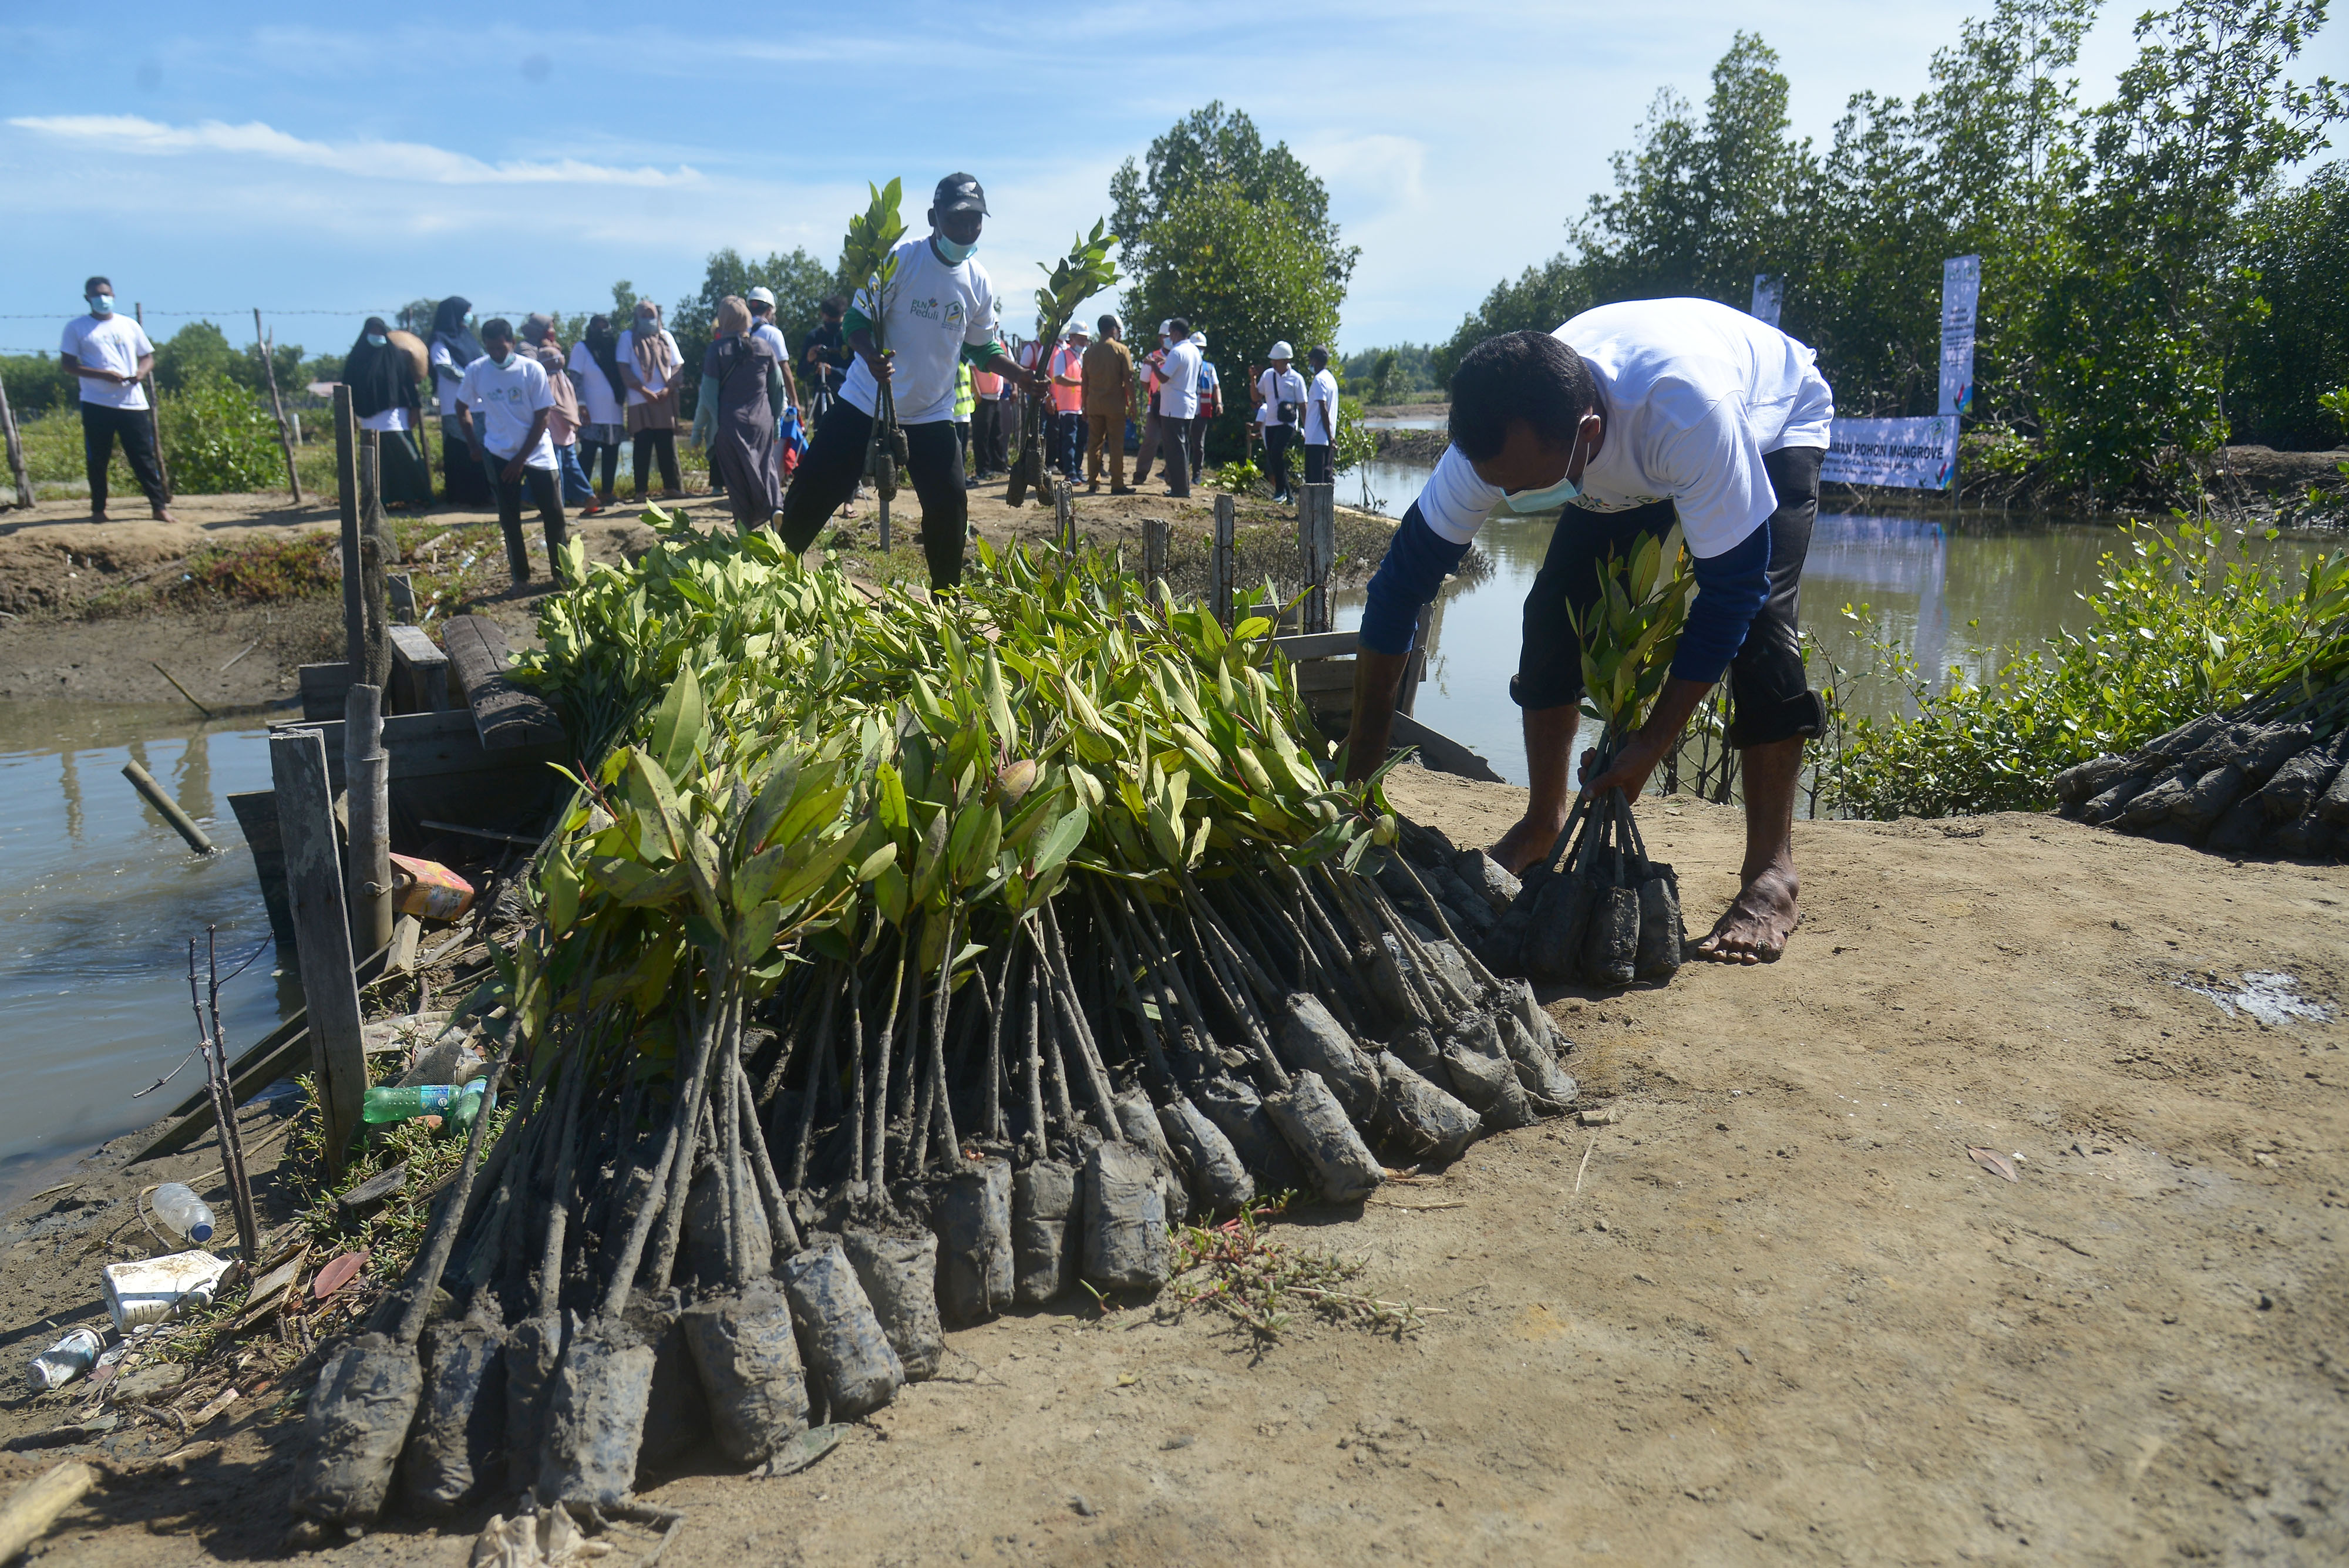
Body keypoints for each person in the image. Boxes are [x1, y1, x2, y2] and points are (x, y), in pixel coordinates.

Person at [1345, 301, 1835, 964]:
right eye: (1501, 487)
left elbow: (1735, 591)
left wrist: (1652, 743)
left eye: (1528, 484)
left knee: (1763, 633)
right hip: (1615, 468)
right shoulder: (1497, 443)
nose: (1514, 500)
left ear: (1588, 430)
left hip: (1771, 421)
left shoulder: (1685, 414)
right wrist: (1359, 772)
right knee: (1551, 614)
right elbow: (1400, 587)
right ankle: (1542, 822)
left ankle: (1772, 870)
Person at [776, 173, 1048, 590]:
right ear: (933, 218)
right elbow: (855, 321)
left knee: (950, 508)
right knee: (812, 492)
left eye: (976, 221)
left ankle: (946, 601)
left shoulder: (979, 281)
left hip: (931, 414)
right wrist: (870, 356)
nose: (967, 230)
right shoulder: (900, 261)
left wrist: (1022, 377)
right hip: (866, 403)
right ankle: (774, 575)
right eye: (957, 220)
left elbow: (981, 349)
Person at [456, 317, 567, 590]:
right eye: (491, 349)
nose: (496, 354)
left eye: (501, 349)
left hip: (537, 453)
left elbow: (543, 416)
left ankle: (562, 576)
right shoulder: (477, 371)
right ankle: (521, 579)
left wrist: (521, 460)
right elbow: (462, 407)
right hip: (499, 452)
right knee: (510, 519)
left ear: (513, 344)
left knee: (554, 515)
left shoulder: (532, 370)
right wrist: (473, 444)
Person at [58, 277, 175, 523]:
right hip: (96, 403)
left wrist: (141, 373)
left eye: (106, 294)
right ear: (88, 298)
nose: (103, 299)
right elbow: (68, 365)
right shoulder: (76, 328)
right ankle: (99, 510)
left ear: (113, 295)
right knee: (98, 458)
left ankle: (159, 507)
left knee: (143, 457)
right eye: (97, 295)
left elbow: (148, 356)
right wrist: (103, 375)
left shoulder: (129, 325)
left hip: (133, 403)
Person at [689, 295, 788, 532]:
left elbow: (707, 398)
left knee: (736, 479)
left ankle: (746, 530)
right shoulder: (764, 347)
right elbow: (777, 390)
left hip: (729, 425)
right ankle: (776, 508)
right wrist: (775, 424)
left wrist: (699, 432)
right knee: (766, 467)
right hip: (762, 420)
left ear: (723, 321)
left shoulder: (717, 351)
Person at [343, 316, 432, 508]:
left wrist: (415, 408)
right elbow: (349, 387)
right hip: (369, 416)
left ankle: (418, 496)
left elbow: (408, 386)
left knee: (405, 454)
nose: (378, 336)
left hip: (396, 416)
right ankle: (380, 501)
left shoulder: (395, 358)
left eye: (380, 332)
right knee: (377, 460)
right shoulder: (356, 360)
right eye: (373, 332)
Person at [523, 314, 601, 517]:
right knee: (571, 465)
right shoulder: (565, 380)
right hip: (567, 431)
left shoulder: (546, 381)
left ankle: (557, 504)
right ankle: (589, 496)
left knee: (555, 468)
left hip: (553, 431)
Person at [617, 301, 684, 500]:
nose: (648, 318)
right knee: (642, 446)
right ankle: (640, 492)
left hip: (665, 398)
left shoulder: (666, 337)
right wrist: (644, 390)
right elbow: (623, 367)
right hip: (640, 400)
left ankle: (671, 488)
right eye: (644, 315)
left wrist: (668, 389)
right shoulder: (627, 337)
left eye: (651, 314)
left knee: (666, 445)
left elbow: (678, 366)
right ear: (637, 317)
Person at [428, 297, 492, 506]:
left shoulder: (468, 337)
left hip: (479, 403)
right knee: (461, 448)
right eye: (467, 312)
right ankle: (462, 498)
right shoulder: (441, 339)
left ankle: (484, 495)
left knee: (481, 448)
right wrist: (469, 379)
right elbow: (443, 367)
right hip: (454, 402)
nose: (469, 316)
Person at [569, 315, 628, 504]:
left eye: (606, 327)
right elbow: (576, 379)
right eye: (598, 327)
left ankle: (607, 493)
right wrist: (581, 405)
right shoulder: (582, 348)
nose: (603, 331)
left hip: (614, 412)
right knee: (587, 454)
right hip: (591, 413)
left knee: (611, 454)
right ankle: (580, 495)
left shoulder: (614, 350)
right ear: (591, 329)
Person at [1081, 312, 1135, 494]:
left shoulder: (1089, 353)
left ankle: (1093, 482)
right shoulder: (1122, 350)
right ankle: (1117, 483)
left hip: (1094, 404)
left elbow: (1085, 382)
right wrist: (1133, 404)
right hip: (1115, 406)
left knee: (1094, 444)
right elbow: (1129, 379)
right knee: (1116, 444)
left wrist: (1083, 405)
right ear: (1113, 330)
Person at [1149, 317, 1202, 499]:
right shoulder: (1195, 351)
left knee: (1175, 450)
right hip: (1188, 405)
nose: (1169, 337)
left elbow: (1164, 378)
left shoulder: (1177, 351)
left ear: (1176, 333)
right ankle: (1182, 486)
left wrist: (1153, 364)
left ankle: (1180, 489)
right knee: (1183, 447)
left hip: (1174, 406)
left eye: (1170, 333)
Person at [1254, 342, 1305, 503]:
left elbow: (1303, 405)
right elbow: (1256, 396)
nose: (1273, 363)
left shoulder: (1297, 379)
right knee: (1273, 456)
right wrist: (1252, 379)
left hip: (1287, 424)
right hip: (1270, 423)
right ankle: (1289, 495)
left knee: (1276, 453)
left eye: (1276, 360)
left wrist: (1307, 428)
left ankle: (1279, 492)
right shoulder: (1268, 375)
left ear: (1286, 361)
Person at [746, 287, 803, 419]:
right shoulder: (773, 333)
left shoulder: (738, 331)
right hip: (769, 400)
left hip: (742, 398)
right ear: (770, 310)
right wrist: (795, 400)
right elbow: (784, 367)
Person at [799, 295, 849, 426]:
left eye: (836, 319)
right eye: (829, 318)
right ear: (822, 315)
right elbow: (801, 373)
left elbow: (857, 370)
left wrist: (832, 371)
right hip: (821, 397)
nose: (832, 322)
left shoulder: (849, 338)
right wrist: (809, 362)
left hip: (846, 396)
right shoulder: (814, 337)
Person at [1132, 321, 1170, 487]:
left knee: (1172, 442)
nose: (1168, 339)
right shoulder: (1152, 356)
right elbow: (1144, 381)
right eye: (1165, 336)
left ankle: (1171, 477)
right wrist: (1154, 395)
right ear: (1160, 338)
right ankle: (1140, 474)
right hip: (1155, 406)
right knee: (1151, 440)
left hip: (1173, 406)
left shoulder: (1179, 354)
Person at [1049, 323, 1088, 480]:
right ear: (1071, 337)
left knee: (1080, 441)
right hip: (1067, 407)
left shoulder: (1083, 357)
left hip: (1081, 406)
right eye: (1081, 338)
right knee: (1069, 440)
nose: (1084, 342)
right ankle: (1070, 472)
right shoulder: (1062, 356)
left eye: (1086, 339)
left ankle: (1078, 470)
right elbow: (1058, 378)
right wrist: (1080, 383)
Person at [1301, 345, 1340, 487]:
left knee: (1314, 484)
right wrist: (1331, 438)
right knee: (1326, 480)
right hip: (1326, 440)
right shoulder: (1331, 379)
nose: (1310, 364)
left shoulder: (1319, 380)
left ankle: (1314, 511)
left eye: (1311, 360)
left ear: (1315, 361)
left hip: (1316, 439)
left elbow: (1323, 409)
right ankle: (1327, 510)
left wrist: (1329, 437)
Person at [1187, 330, 1220, 480]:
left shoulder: (1209, 368)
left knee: (1198, 445)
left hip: (1202, 411)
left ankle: (1197, 475)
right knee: (1181, 442)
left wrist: (1219, 402)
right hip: (1185, 409)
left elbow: (1216, 386)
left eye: (1201, 348)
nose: (1199, 351)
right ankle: (1176, 473)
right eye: (1196, 347)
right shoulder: (1185, 364)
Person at [970, 359, 1005, 481]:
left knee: (997, 434)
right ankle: (983, 469)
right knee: (981, 435)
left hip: (996, 397)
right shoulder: (977, 342)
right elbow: (971, 369)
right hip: (983, 398)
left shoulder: (1000, 344)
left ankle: (998, 466)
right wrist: (976, 392)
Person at [953, 361, 977, 488]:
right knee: (956, 450)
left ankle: (962, 477)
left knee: (963, 450)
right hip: (954, 413)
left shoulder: (965, 364)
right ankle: (959, 479)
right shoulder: (955, 363)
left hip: (965, 412)